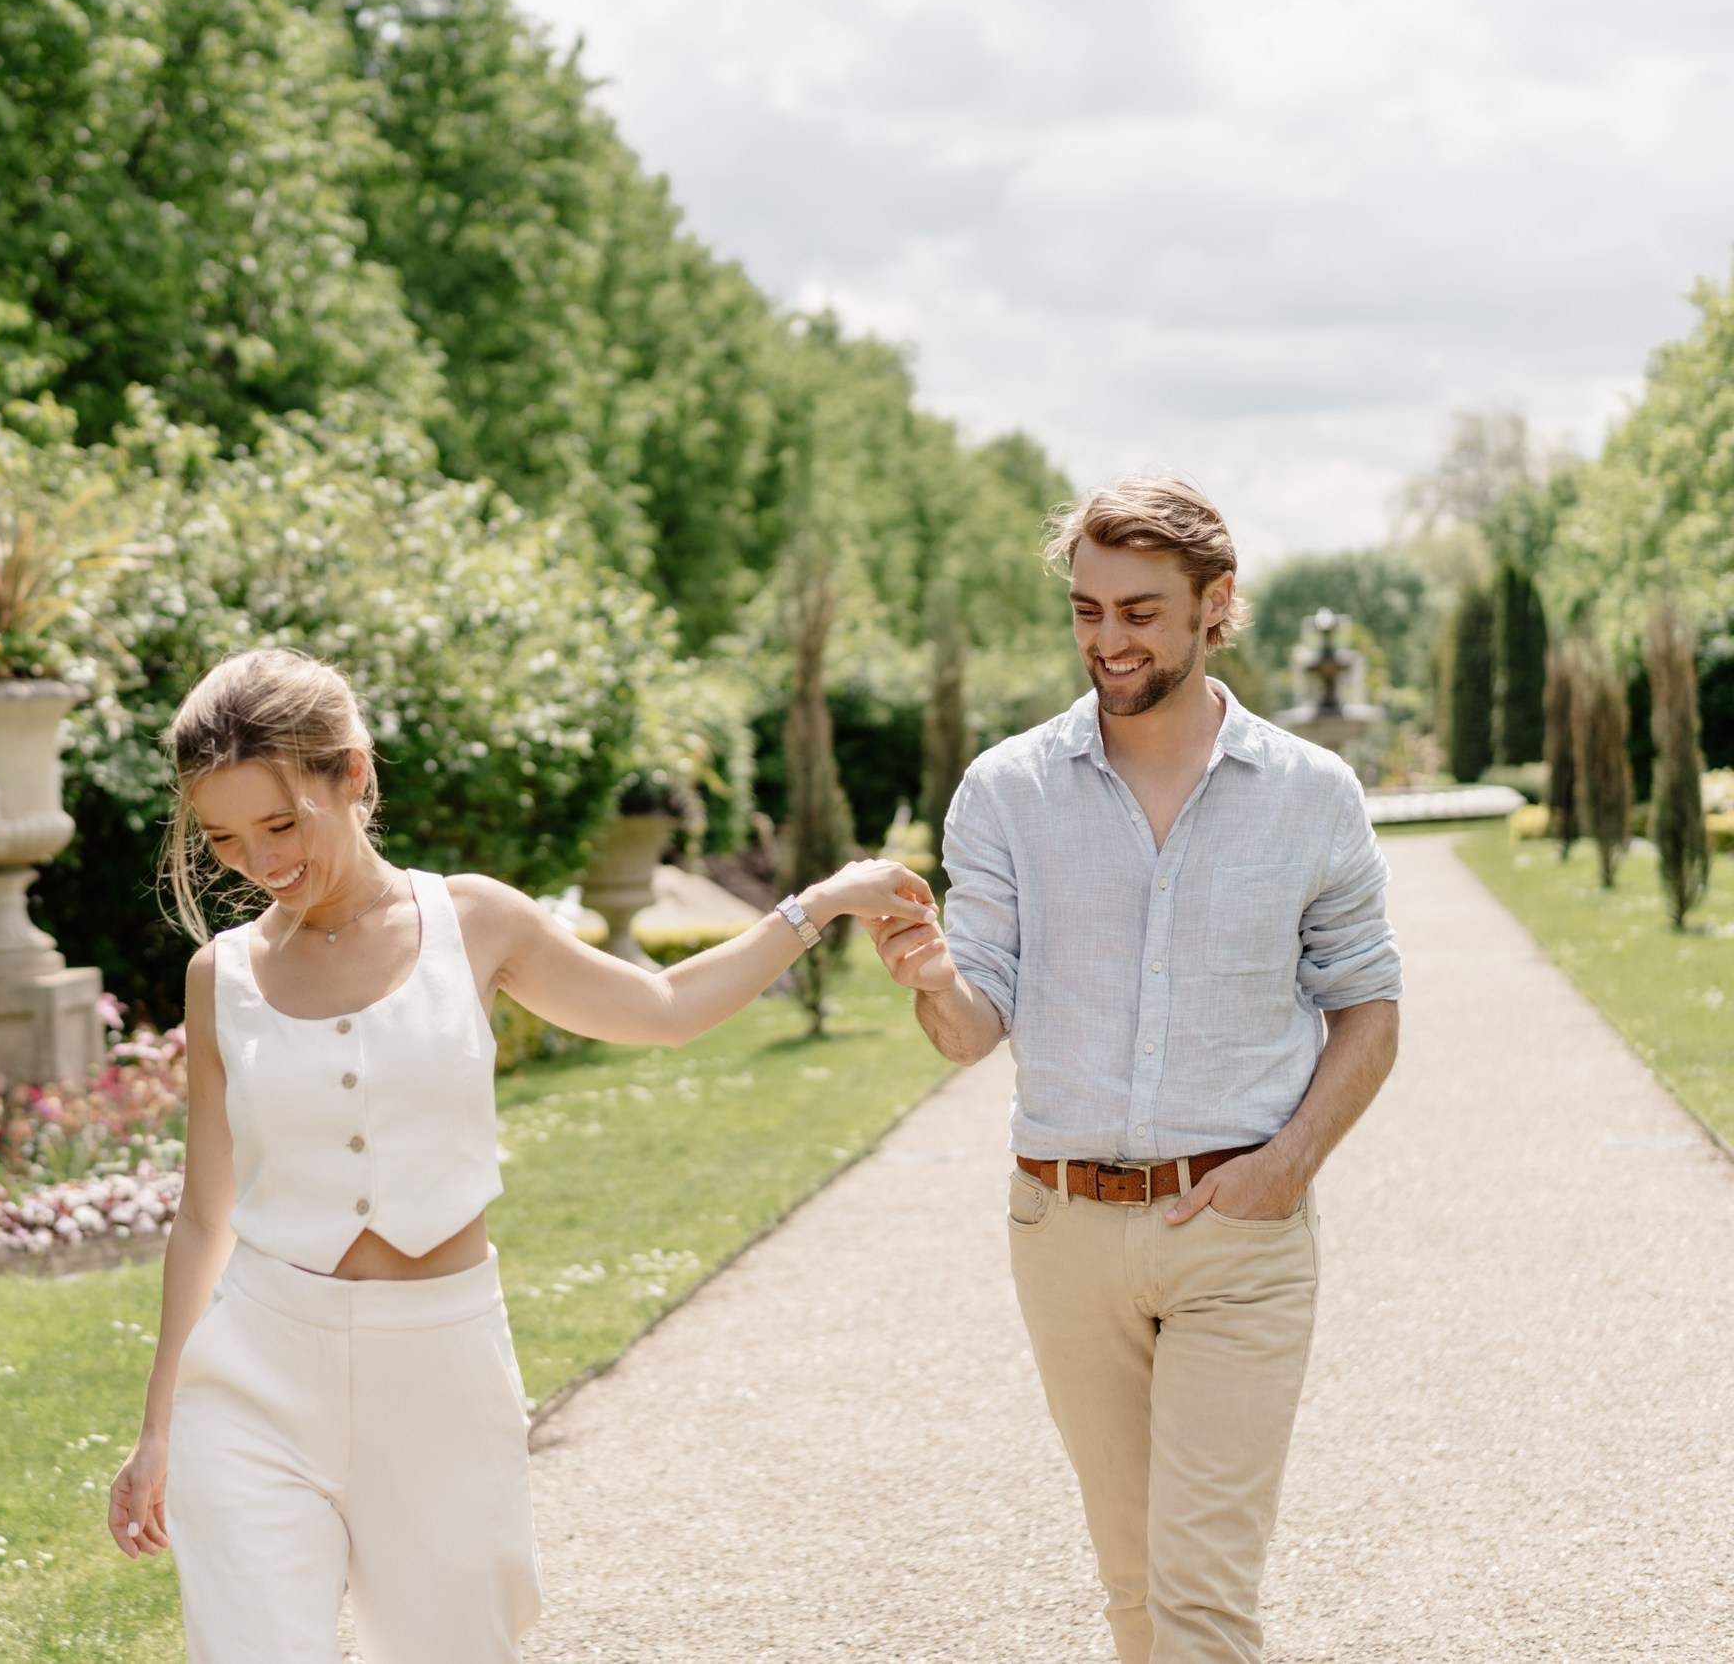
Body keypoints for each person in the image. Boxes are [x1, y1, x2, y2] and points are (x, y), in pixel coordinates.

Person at [107, 646, 936, 1663]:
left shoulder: (474, 921)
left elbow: (664, 1008)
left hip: (439, 1367)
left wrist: (817, 905)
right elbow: (204, 1214)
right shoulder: (220, 974)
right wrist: (160, 1432)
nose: (259, 862)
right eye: (225, 840)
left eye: (281, 824)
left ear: (353, 776)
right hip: (256, 1373)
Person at [870, 476, 1402, 1664]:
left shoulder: (1313, 795)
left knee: (1202, 1605)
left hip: (1239, 1233)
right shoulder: (1005, 790)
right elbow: (971, 1029)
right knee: (1133, 1591)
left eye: (1141, 611)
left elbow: (1369, 1006)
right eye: (1087, 610)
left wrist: (1284, 1168)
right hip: (1060, 1229)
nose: (1108, 640)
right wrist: (928, 976)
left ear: (1217, 607)